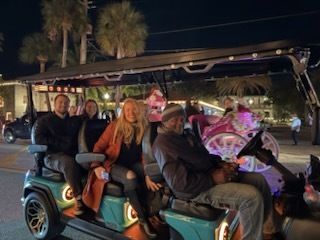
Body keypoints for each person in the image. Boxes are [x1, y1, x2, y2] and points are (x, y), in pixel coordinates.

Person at [152, 103, 280, 240]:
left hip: (208, 176)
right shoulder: (163, 145)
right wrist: (212, 178)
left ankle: (269, 231)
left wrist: (222, 164)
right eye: (174, 120)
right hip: (194, 190)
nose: (179, 123)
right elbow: (180, 184)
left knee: (258, 180)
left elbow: (204, 157)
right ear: (165, 121)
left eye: (181, 119)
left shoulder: (185, 135)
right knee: (251, 197)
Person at [82, 98, 157, 239]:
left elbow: (145, 154)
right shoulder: (115, 126)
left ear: (139, 111)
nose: (131, 113)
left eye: (134, 109)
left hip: (134, 163)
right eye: (127, 110)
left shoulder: (143, 127)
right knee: (130, 176)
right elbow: (99, 146)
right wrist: (96, 166)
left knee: (155, 173)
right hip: (112, 164)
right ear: (123, 112)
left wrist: (148, 173)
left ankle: (153, 211)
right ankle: (143, 219)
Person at [34, 94, 84, 215]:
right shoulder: (44, 121)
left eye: (66, 103)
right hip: (51, 155)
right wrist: (59, 144)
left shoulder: (72, 120)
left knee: (88, 161)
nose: (63, 105)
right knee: (69, 163)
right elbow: (39, 139)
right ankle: (78, 198)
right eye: (60, 102)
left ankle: (90, 195)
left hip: (70, 153)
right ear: (55, 104)